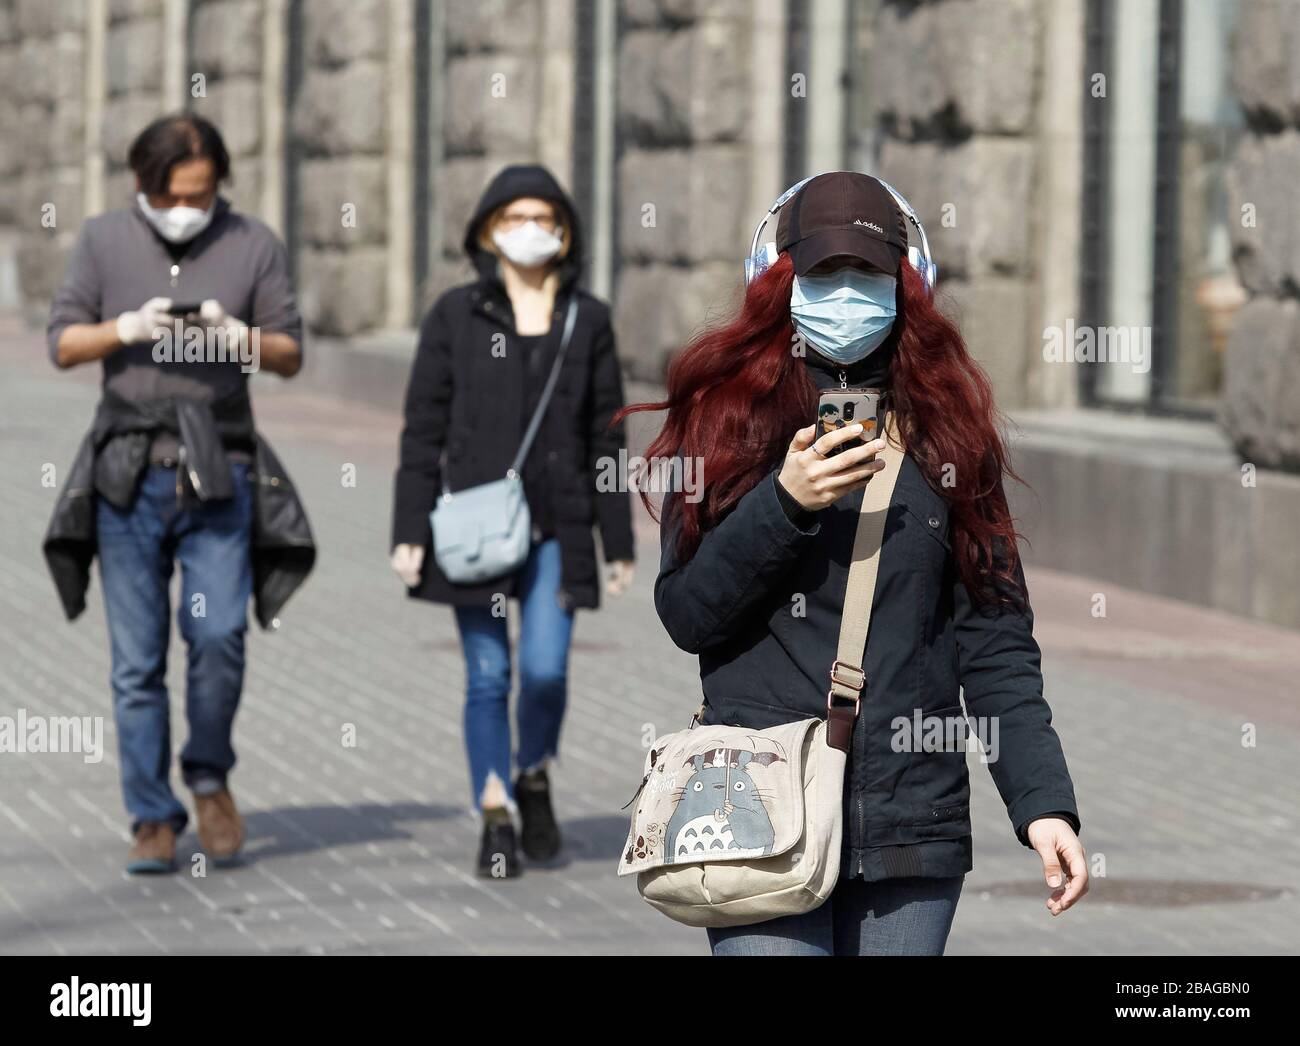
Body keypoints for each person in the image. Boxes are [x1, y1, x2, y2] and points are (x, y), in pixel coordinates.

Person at [621, 172, 1086, 955]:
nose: (845, 292)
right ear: (779, 283)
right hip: (757, 814)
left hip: (912, 823)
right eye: (823, 273)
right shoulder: (724, 422)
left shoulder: (949, 432)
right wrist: (786, 502)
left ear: (909, 284)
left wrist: (1043, 804)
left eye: (867, 274)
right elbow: (689, 612)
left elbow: (996, 639)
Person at [43, 113, 313, 874]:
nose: (189, 207)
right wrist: (125, 326)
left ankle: (209, 777)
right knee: (135, 662)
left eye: (203, 193)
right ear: (143, 184)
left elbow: (292, 353)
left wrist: (240, 338)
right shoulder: (103, 240)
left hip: (217, 474)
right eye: (175, 194)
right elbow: (62, 342)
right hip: (126, 475)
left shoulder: (252, 243)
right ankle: (151, 817)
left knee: (220, 637)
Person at [391, 164, 635, 878]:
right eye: (514, 218)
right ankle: (496, 808)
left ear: (564, 232)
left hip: (560, 530)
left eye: (545, 218)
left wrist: (617, 542)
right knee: (489, 674)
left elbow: (607, 436)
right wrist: (408, 529)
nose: (530, 230)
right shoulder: (455, 316)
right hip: (474, 529)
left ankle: (534, 772)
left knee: (545, 670)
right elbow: (421, 430)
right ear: (488, 232)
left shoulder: (586, 319)